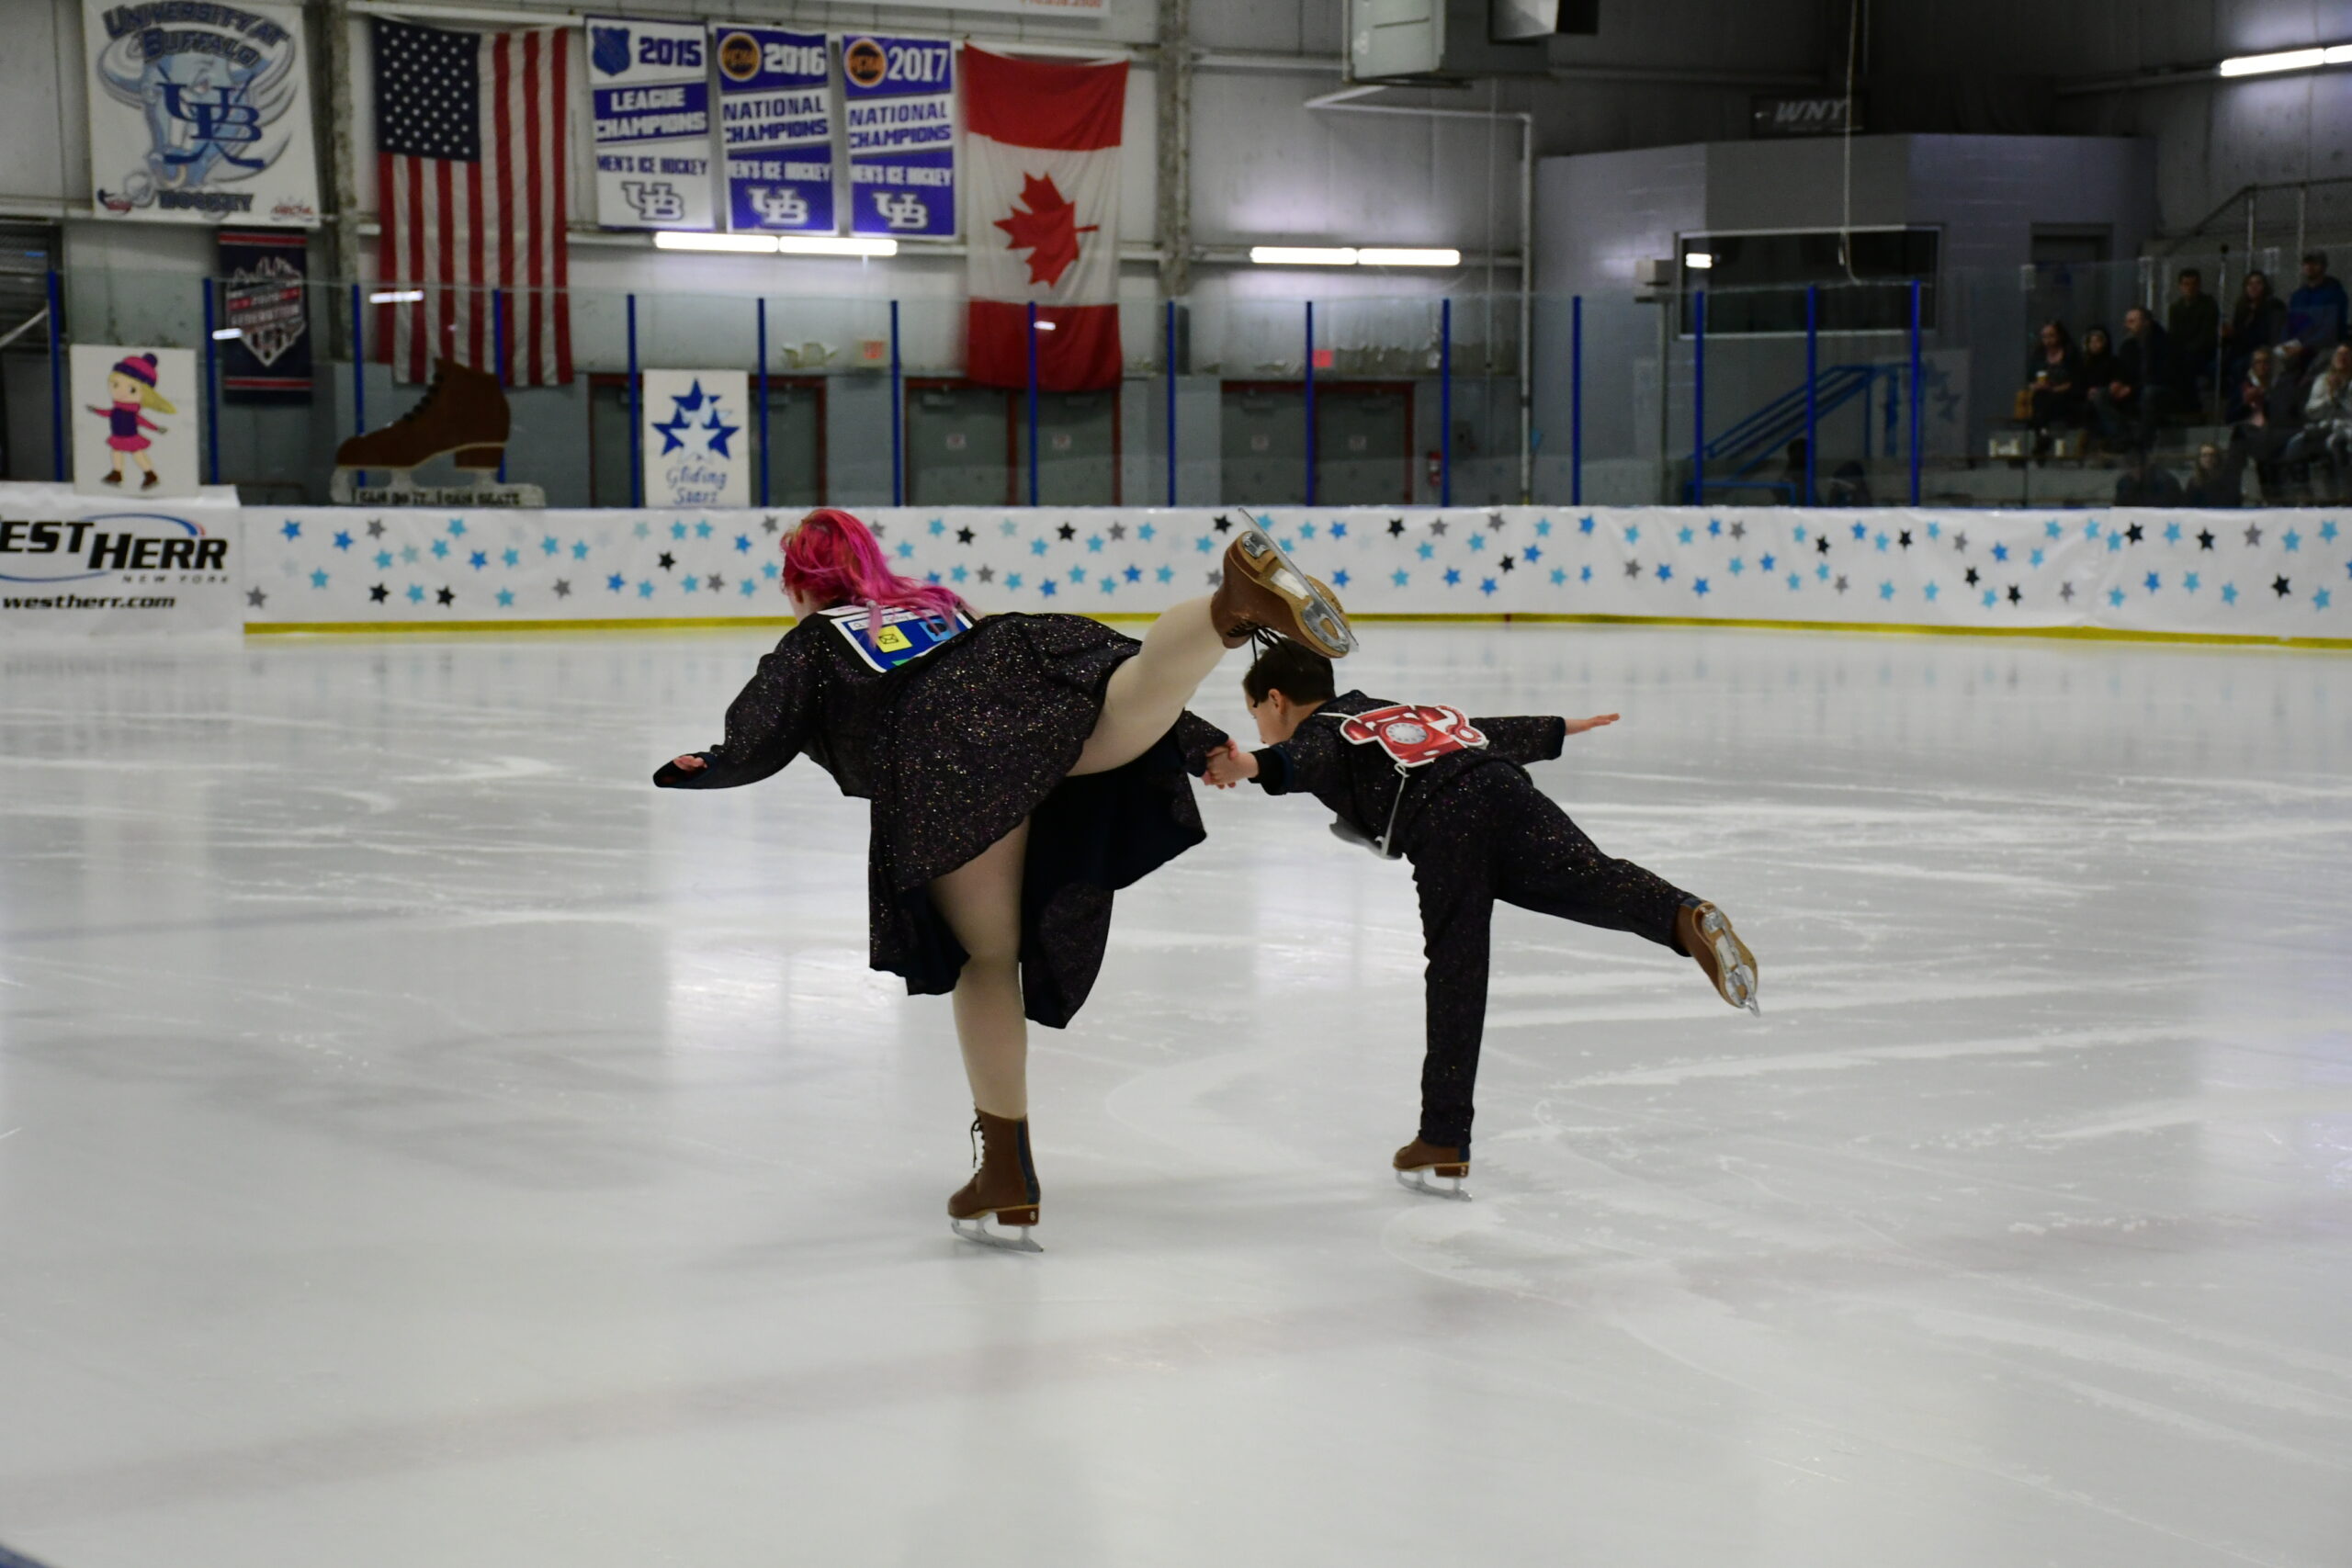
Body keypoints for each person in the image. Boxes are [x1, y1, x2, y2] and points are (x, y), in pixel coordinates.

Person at [656, 509, 1355, 1250]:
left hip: (947, 745)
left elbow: (765, 728)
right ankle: (1228, 610)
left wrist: (713, 762)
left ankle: (1007, 1175)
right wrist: (1193, 738)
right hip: (1024, 655)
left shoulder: (817, 638)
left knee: (986, 960)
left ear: (802, 584)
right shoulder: (936, 604)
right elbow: (1043, 676)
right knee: (1131, 688)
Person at [1200, 643, 1758, 1197]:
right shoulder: (1389, 709)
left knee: (1456, 975)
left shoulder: (1321, 731)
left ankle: (1443, 1137)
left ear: (1275, 700)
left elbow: (1299, 759)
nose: (1260, 725)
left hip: (1445, 824)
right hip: (1503, 784)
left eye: (1255, 714)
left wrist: (1248, 764)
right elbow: (1480, 730)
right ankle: (1683, 915)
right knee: (1587, 876)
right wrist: (1559, 727)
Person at [85, 352, 174, 489]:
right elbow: (106, 413)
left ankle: (150, 474)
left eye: (132, 389)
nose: (121, 392)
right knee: (116, 452)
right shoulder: (116, 410)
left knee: (137, 454)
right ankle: (117, 473)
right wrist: (95, 410)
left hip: (130, 436)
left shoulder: (132, 413)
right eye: (115, 385)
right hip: (119, 436)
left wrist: (156, 428)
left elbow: (143, 422)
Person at [2283, 342, 2352, 502]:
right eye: (2339, 354)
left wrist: (2340, 395)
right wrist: (2329, 397)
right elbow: (2311, 411)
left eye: (2346, 355)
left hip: (2347, 428)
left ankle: (2344, 494)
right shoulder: (2323, 380)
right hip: (2323, 427)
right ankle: (2302, 495)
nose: (2342, 358)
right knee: (2294, 445)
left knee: (2334, 443)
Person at [2107, 305, 2180, 450]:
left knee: (2149, 393)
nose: (2127, 326)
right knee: (2101, 396)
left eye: (2132, 321)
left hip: (2164, 390)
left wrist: (2132, 389)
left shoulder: (2165, 344)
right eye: (2126, 321)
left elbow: (2161, 376)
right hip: (2136, 389)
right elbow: (2122, 371)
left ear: (2146, 322)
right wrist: (2117, 382)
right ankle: (2123, 437)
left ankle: (2144, 443)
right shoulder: (2128, 345)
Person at [2281, 250, 2348, 381]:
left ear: (2323, 267)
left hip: (2324, 347)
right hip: (2299, 346)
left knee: (2319, 362)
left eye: (2315, 263)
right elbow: (2291, 324)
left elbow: (2329, 330)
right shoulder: (2298, 296)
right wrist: (2286, 344)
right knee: (2272, 358)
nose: (2310, 267)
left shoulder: (2335, 294)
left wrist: (2304, 346)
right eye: (2307, 263)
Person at [2166, 268, 2220, 410]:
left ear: (2199, 285)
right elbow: (2174, 334)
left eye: (2193, 284)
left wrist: (2187, 350)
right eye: (2186, 284)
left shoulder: (2208, 305)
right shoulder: (2175, 308)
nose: (2189, 288)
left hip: (2203, 352)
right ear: (2180, 286)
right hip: (2183, 352)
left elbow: (2207, 335)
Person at [2224, 269, 2288, 386]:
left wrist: (2237, 335)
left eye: (2258, 283)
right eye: (2250, 284)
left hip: (2261, 350)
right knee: (2217, 365)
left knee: (2238, 367)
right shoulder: (2242, 308)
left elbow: (2266, 335)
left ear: (2265, 286)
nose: (2254, 287)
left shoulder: (2273, 306)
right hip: (2240, 350)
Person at [2022, 320, 2084, 437]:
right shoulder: (2039, 355)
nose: (2048, 340)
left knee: (2046, 401)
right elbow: (2030, 379)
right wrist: (2036, 386)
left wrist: (2054, 389)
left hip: (2065, 394)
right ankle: (2041, 433)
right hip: (2043, 394)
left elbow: (2075, 381)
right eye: (2044, 337)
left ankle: (2042, 432)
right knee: (2040, 399)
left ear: (2059, 336)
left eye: (2051, 336)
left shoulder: (2070, 354)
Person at [2113, 450, 2184, 507]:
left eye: (2136, 465)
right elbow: (2119, 508)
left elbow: (2164, 509)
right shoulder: (2124, 483)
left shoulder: (2166, 482)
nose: (2134, 470)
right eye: (2131, 466)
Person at [2182, 443, 2243, 508]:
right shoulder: (2194, 482)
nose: (2208, 459)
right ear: (2199, 459)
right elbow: (2188, 506)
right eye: (2204, 455)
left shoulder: (2229, 481)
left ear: (2217, 458)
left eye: (2212, 455)